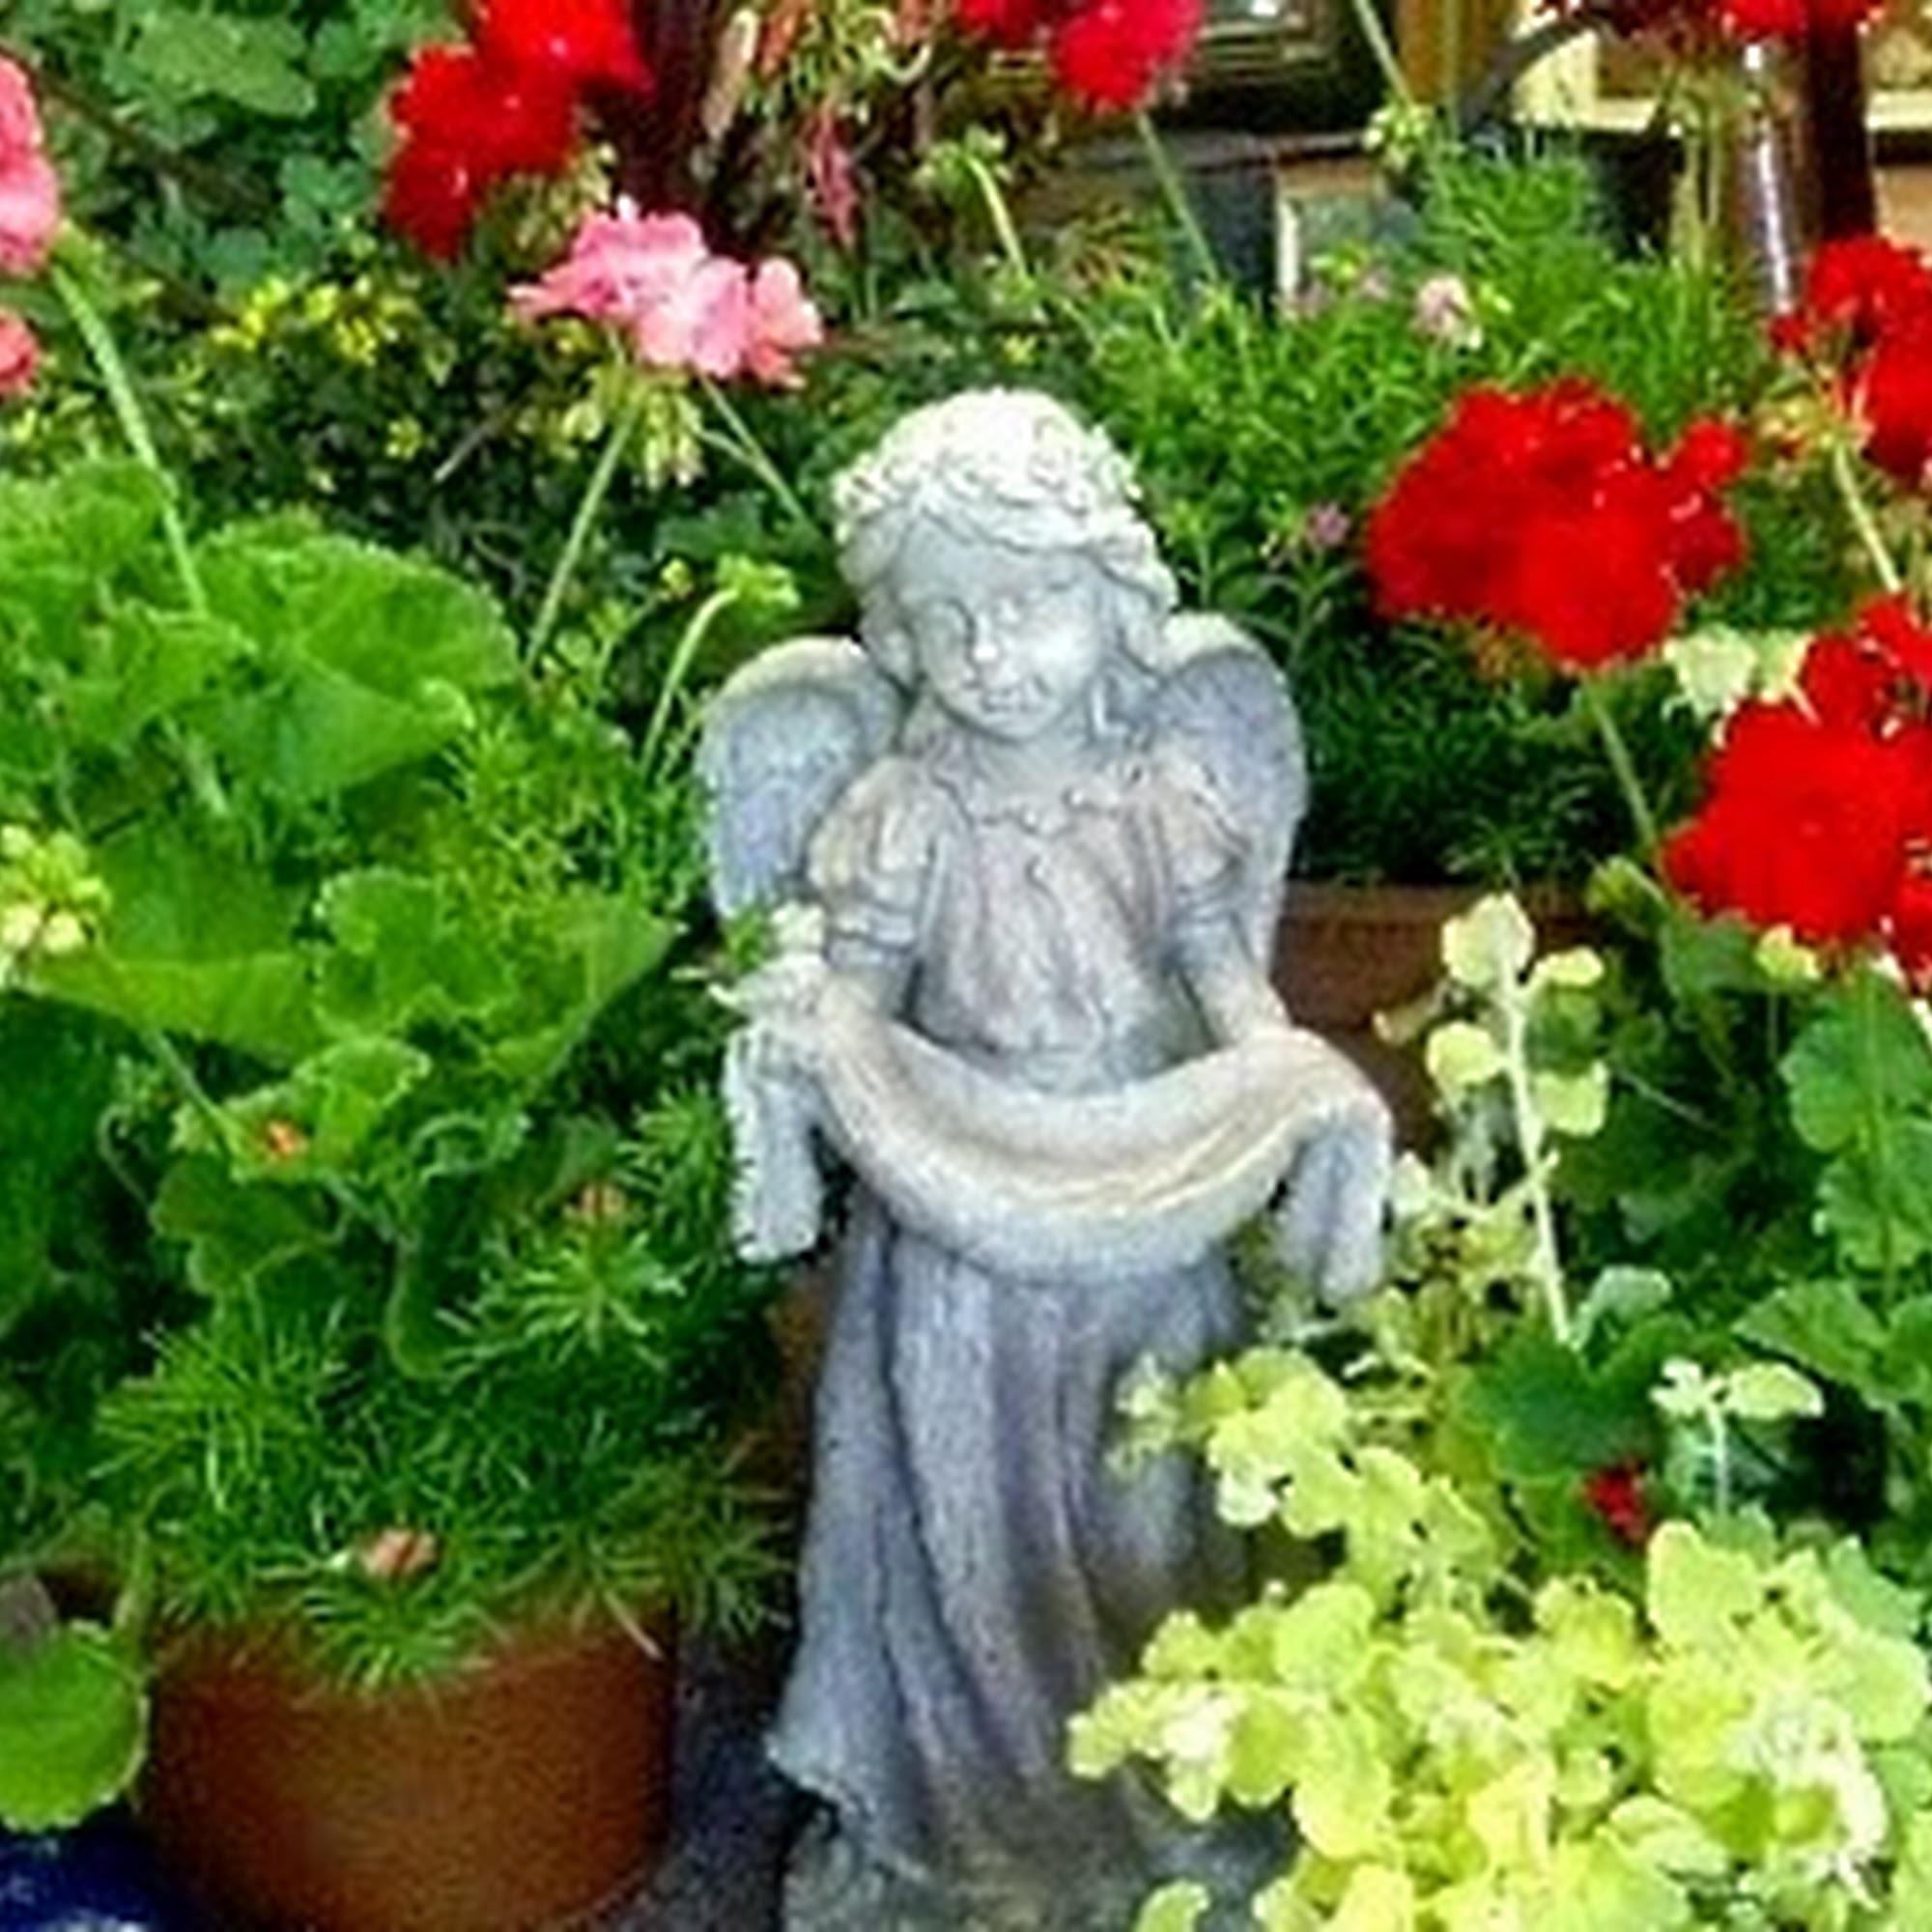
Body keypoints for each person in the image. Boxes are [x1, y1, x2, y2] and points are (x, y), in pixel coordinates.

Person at [702, 390, 1390, 1929]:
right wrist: (800, 1028)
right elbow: (858, 1013)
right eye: (945, 621)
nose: (991, 654)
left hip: (1145, 1223)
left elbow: (1233, 1002)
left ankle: (1158, 1825)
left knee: (1154, 1522)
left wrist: (1292, 1092)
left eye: (1028, 608)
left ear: (1112, 602)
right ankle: (967, 1833)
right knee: (961, 1535)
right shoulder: (898, 817)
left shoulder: (1163, 802)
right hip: (955, 1241)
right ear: (895, 639)